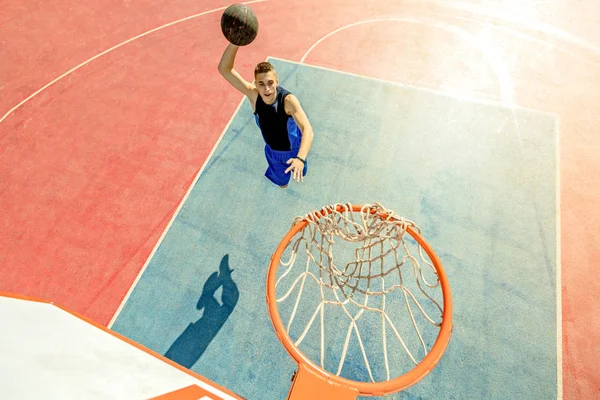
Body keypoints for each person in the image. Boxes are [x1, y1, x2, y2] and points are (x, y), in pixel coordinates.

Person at [218, 43, 314, 188]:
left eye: (270, 83)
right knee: (282, 184)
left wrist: (300, 158)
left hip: (294, 151)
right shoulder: (254, 96)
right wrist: (234, 43)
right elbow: (224, 69)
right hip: (273, 152)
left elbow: (308, 129)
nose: (267, 89)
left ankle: (299, 162)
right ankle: (283, 181)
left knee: (300, 171)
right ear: (255, 84)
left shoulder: (288, 101)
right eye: (261, 84)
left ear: (277, 82)